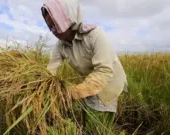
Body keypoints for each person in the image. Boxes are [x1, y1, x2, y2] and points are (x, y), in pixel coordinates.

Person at [41, 0, 128, 134]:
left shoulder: (95, 35)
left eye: (55, 24)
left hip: (108, 83)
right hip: (89, 83)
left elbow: (104, 71)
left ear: (67, 19)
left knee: (97, 125)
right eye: (49, 26)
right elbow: (50, 69)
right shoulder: (60, 45)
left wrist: (72, 93)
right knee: (87, 115)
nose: (53, 30)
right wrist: (41, 86)